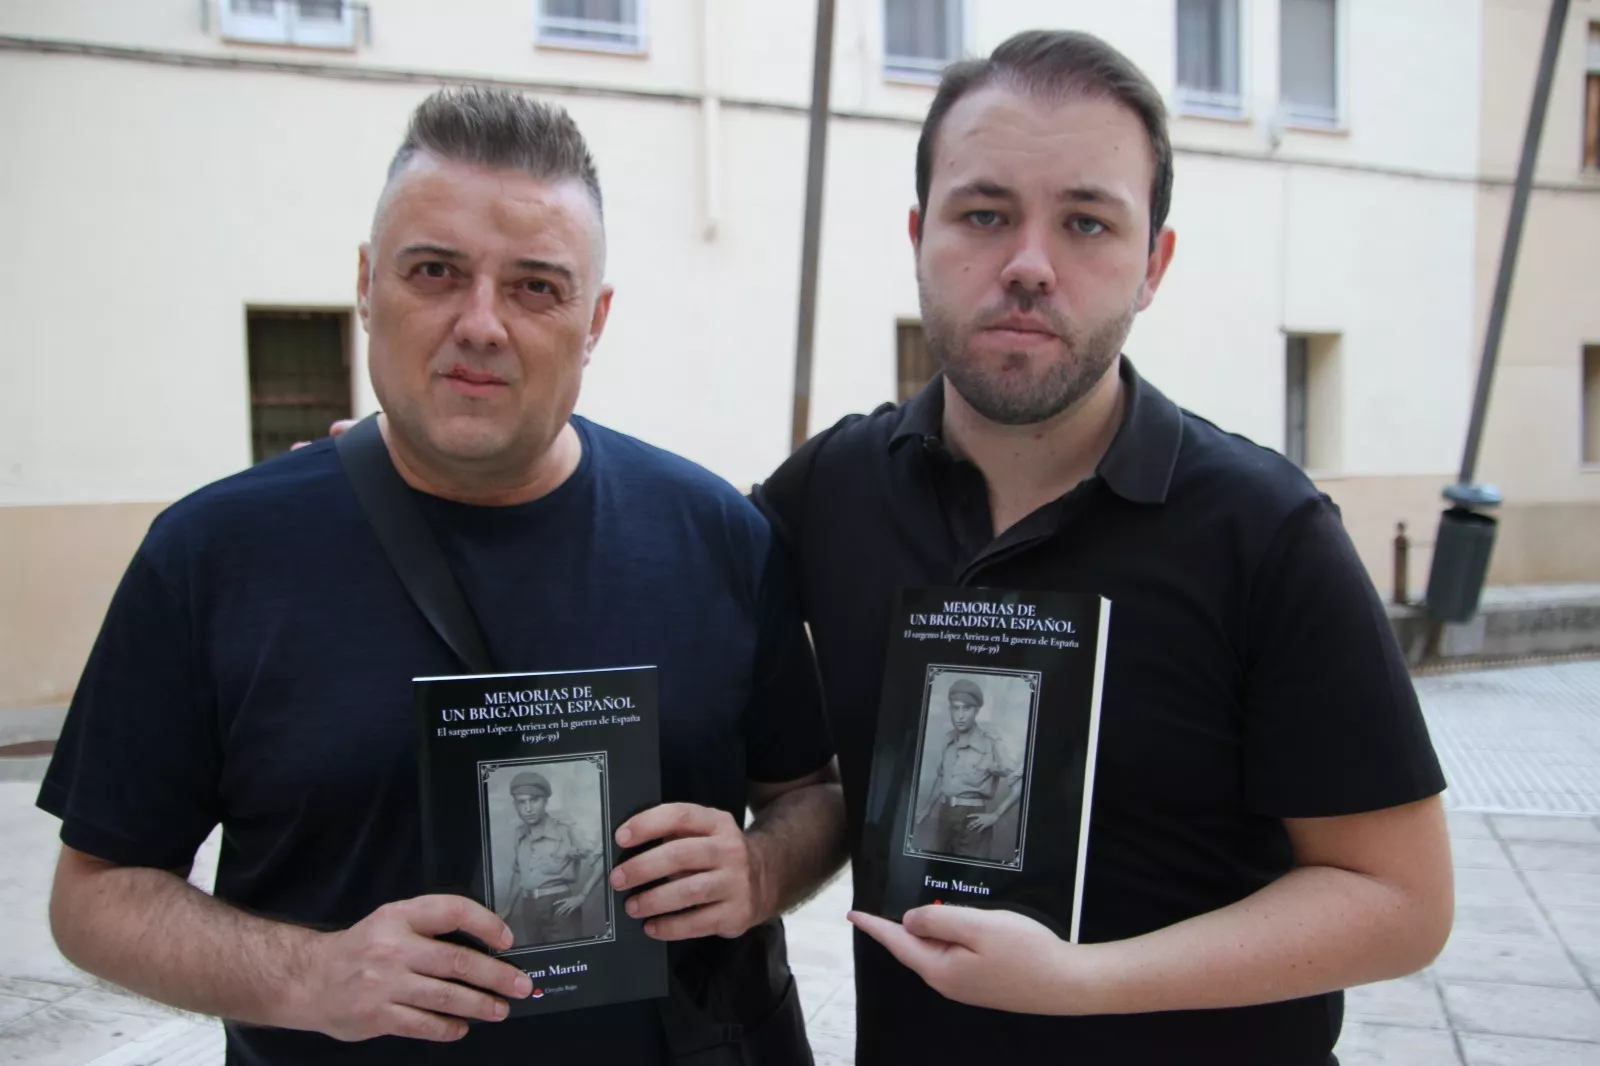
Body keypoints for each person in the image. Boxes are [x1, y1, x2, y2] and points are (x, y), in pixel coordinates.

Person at [36, 85, 844, 1065]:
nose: (481, 323)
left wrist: (759, 867)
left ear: (594, 319)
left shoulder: (716, 534)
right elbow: (95, 893)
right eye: (435, 272)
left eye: (536, 286)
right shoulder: (213, 556)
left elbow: (813, 793)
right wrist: (313, 975)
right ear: (368, 285)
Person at [750, 29, 1454, 1066]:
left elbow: (1400, 899)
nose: (1028, 265)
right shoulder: (830, 491)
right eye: (984, 214)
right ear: (918, 236)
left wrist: (1083, 983)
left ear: (1152, 263)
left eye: (1085, 222)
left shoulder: (1265, 531)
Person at [911, 679, 1021, 860]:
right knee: (939, 869)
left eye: (966, 708)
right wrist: (927, 808)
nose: (960, 715)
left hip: (972, 819)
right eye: (955, 708)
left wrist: (996, 814)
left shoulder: (991, 744)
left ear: (976, 710)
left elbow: (1020, 782)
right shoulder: (948, 740)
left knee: (968, 873)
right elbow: (942, 777)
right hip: (945, 813)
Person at [498, 771, 602, 947]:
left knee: (568, 960)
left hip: (559, 906)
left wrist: (582, 896)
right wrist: (508, 907)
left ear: (545, 801)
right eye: (521, 802)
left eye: (534, 800)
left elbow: (601, 860)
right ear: (515, 804)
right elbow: (518, 874)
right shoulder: (519, 835)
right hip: (528, 907)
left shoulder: (566, 830)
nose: (528, 809)